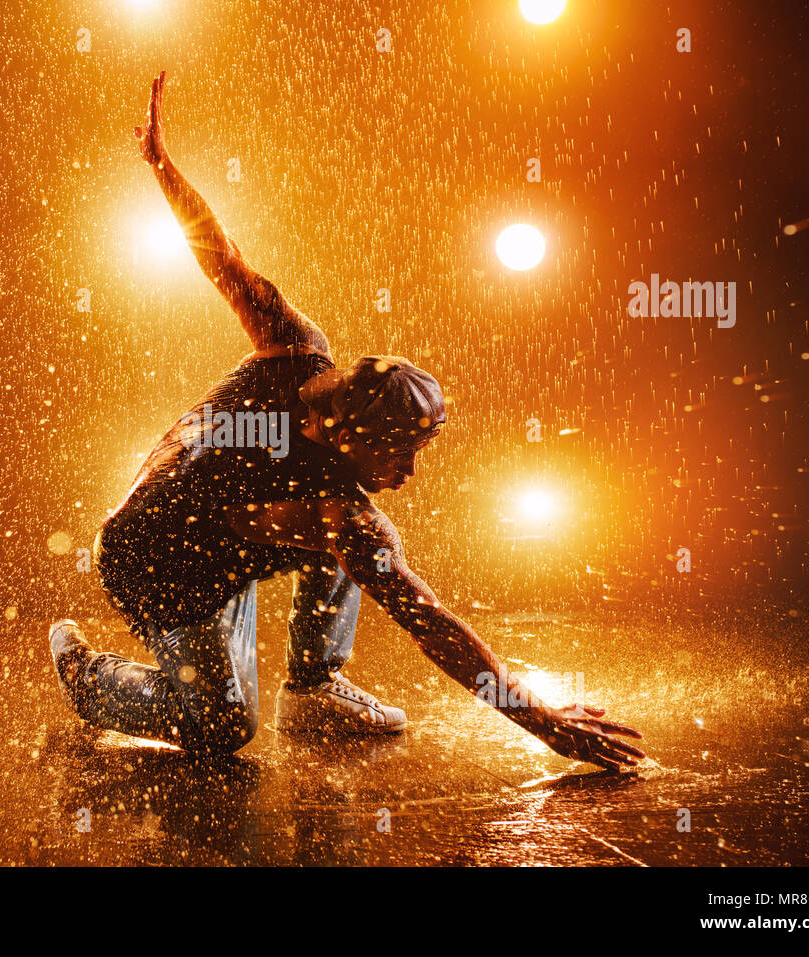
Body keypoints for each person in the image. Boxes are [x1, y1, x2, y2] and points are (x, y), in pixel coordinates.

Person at [49, 71, 645, 771]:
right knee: (220, 726)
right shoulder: (304, 393)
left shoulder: (303, 360)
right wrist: (540, 717)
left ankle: (314, 687)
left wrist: (163, 167)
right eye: (402, 452)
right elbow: (432, 624)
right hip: (152, 560)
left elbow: (222, 260)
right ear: (354, 432)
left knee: (356, 536)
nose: (410, 471)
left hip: (223, 532)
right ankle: (89, 677)